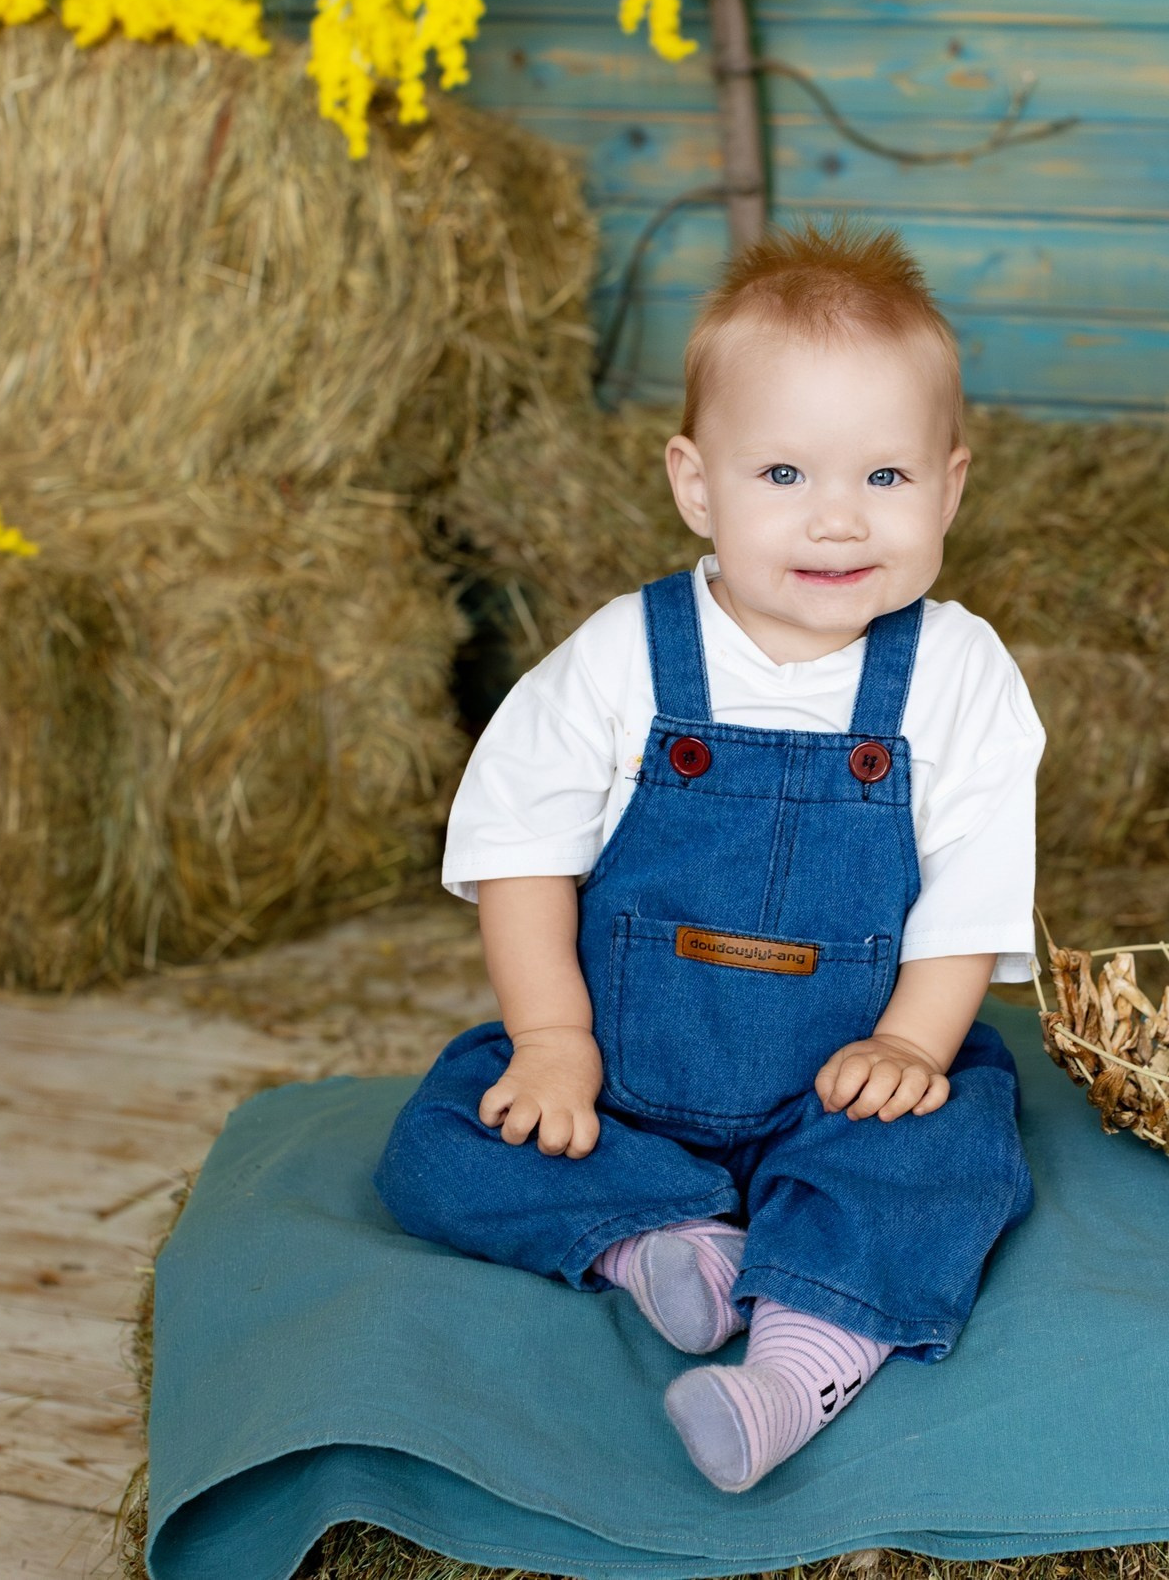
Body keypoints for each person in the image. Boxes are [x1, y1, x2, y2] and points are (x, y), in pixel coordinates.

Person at [374, 221, 1043, 1493]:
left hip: (844, 1089)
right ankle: (661, 1246)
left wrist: (910, 1045)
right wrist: (553, 1041)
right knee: (439, 1137)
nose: (838, 520)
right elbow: (522, 853)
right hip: (621, 1077)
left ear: (951, 488)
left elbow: (974, 886)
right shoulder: (625, 655)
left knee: (952, 1153)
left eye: (887, 480)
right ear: (697, 485)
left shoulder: (956, 676)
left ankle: (796, 1362)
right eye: (782, 473)